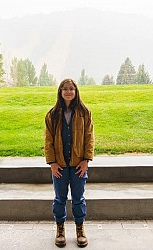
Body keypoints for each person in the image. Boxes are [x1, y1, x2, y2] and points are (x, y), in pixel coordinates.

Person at [44, 78, 94, 248]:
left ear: (76, 91)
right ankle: (60, 230)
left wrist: (86, 160)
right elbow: (48, 141)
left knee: (78, 198)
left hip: (79, 165)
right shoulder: (52, 114)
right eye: (65, 89)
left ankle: (80, 229)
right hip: (59, 165)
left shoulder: (84, 113)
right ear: (60, 92)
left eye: (71, 88)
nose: (68, 91)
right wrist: (52, 163)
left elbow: (89, 138)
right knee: (60, 198)